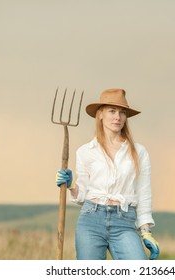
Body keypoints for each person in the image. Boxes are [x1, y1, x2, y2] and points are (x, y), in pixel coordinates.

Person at [56, 88, 159, 260]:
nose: (117, 117)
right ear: (100, 114)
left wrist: (146, 231)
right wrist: (71, 185)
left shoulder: (139, 152)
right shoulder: (85, 151)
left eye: (122, 112)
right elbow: (81, 196)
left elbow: (143, 193)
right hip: (91, 220)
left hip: (124, 222)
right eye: (112, 111)